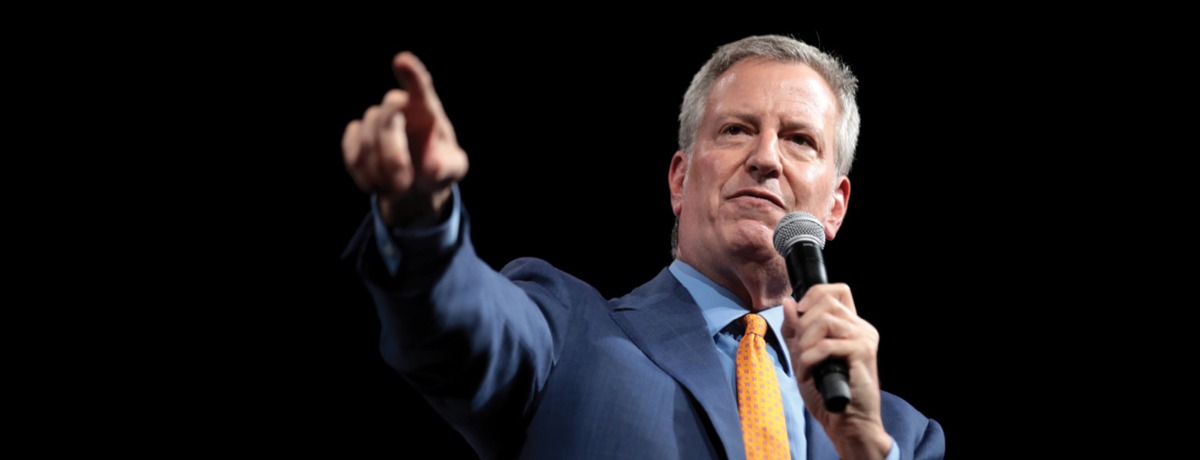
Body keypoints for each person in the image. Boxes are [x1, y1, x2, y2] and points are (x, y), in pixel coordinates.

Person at [340, 34, 945, 459]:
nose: (764, 158)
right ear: (680, 179)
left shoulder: (905, 439)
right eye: (736, 130)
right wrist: (421, 220)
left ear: (835, 205)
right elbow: (458, 324)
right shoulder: (567, 328)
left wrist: (865, 448)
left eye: (799, 140)